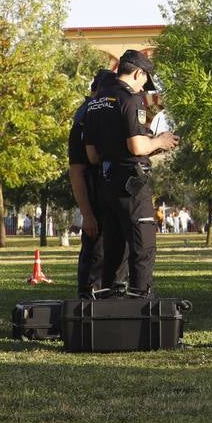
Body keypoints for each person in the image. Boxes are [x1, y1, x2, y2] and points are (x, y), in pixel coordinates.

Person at [84, 49, 178, 297]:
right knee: (142, 248)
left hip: (107, 186)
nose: (143, 88)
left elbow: (92, 155)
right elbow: (136, 146)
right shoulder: (130, 99)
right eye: (144, 81)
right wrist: (160, 141)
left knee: (114, 252)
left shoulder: (96, 101)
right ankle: (142, 309)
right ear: (138, 73)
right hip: (132, 186)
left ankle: (110, 308)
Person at [67, 68, 121, 298]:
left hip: (109, 194)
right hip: (94, 196)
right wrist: (87, 214)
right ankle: (88, 301)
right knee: (95, 249)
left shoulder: (101, 115)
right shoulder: (84, 119)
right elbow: (77, 171)